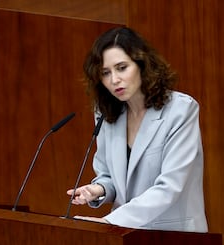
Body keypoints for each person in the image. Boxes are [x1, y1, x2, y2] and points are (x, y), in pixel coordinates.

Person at [66, 27, 208, 232]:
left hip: (176, 240)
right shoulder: (107, 113)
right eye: (105, 73)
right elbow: (109, 176)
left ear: (142, 65)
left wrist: (109, 221)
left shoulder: (180, 111)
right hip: (126, 239)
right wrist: (99, 189)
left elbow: (170, 187)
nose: (114, 80)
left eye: (122, 67)